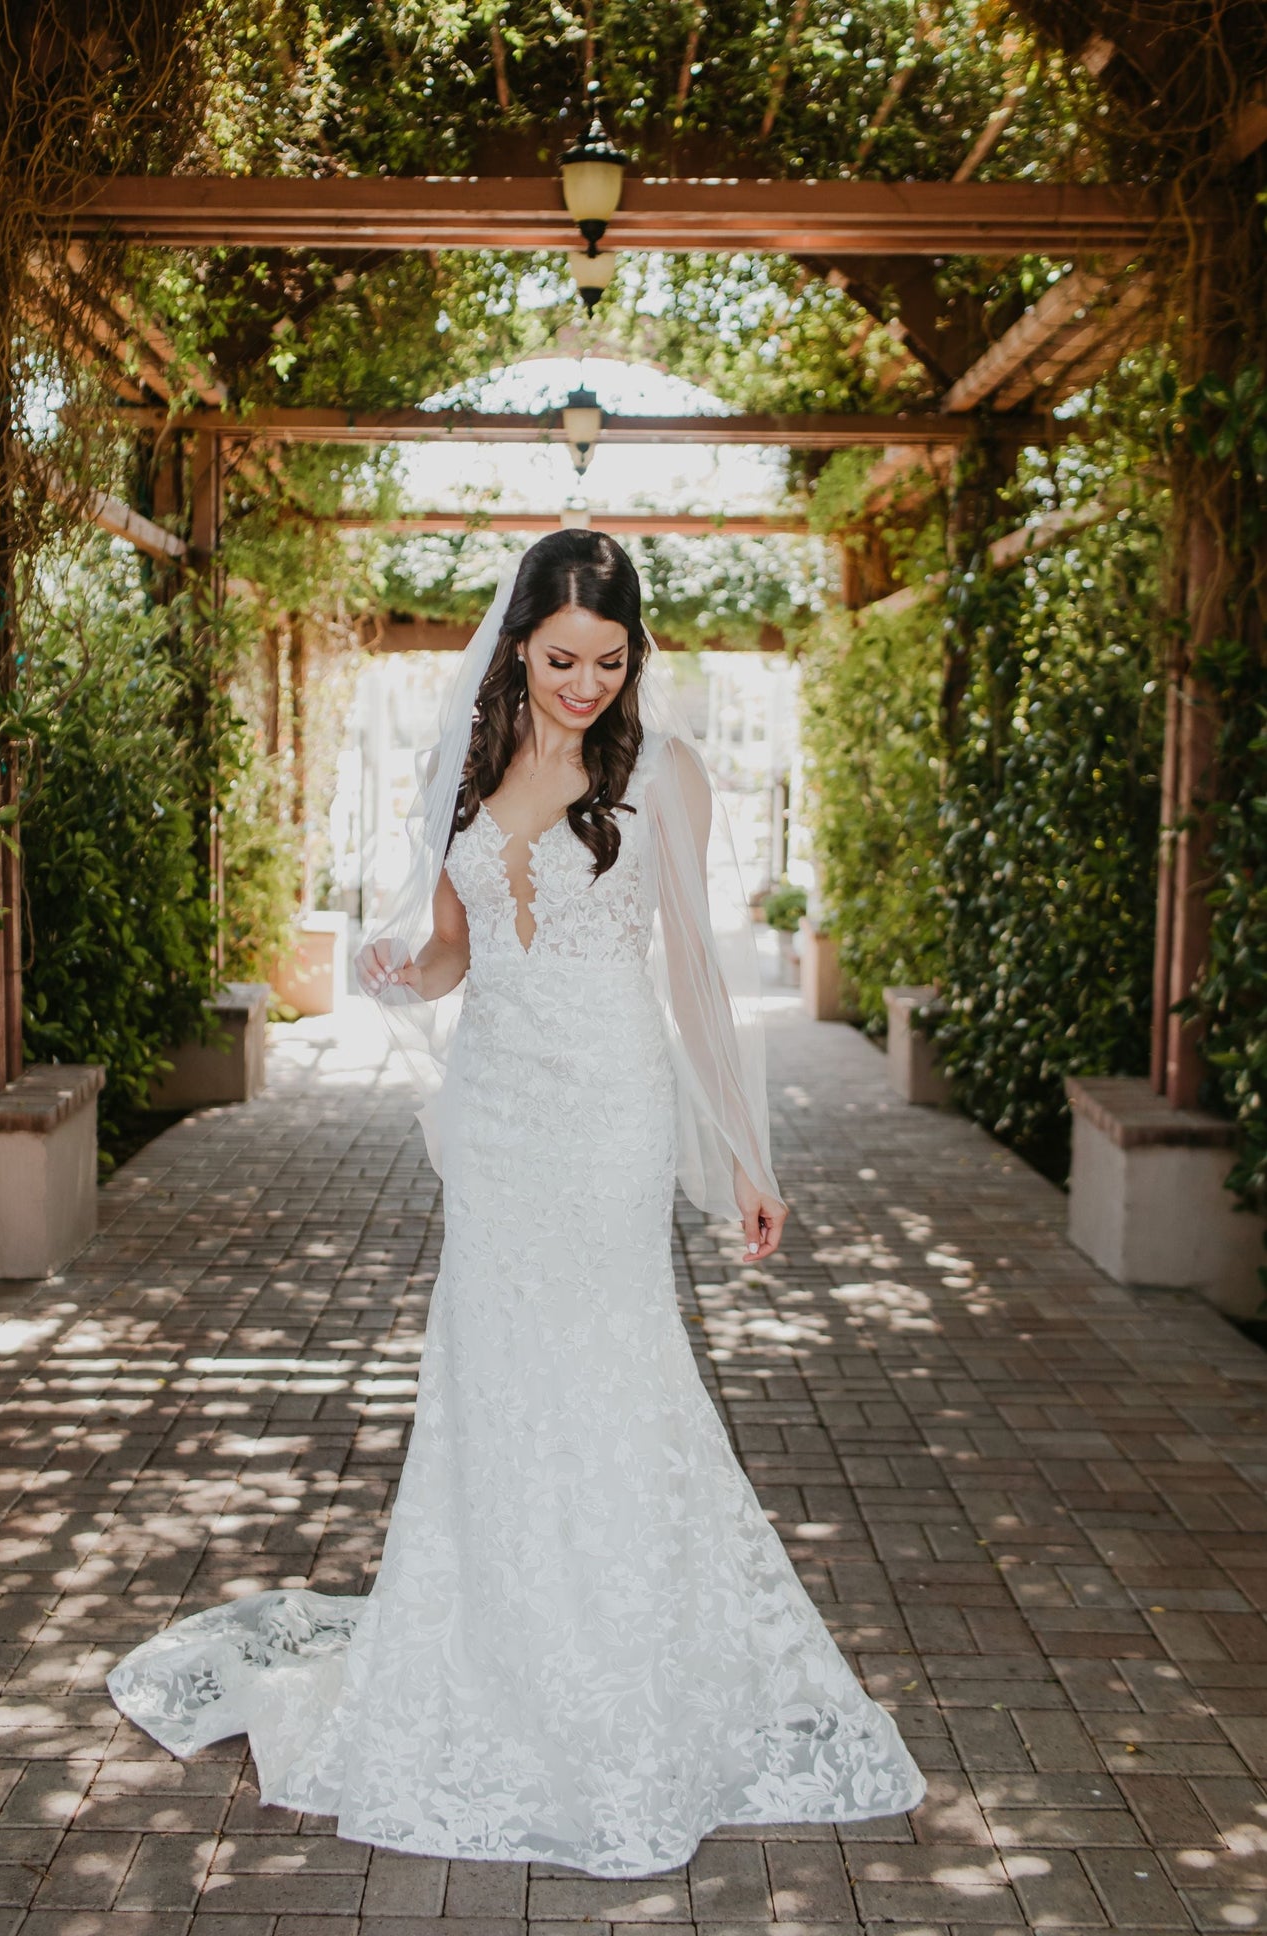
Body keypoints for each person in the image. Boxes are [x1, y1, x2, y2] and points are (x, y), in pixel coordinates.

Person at [107, 530, 925, 1877]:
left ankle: (619, 1660)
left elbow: (699, 982)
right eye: (560, 660)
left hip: (608, 1111)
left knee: (615, 1368)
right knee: (491, 1377)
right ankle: (495, 1646)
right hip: (496, 1117)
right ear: (516, 648)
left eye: (608, 660)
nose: (584, 685)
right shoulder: (470, 766)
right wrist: (393, 962)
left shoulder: (666, 773)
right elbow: (448, 958)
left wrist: (742, 1154)